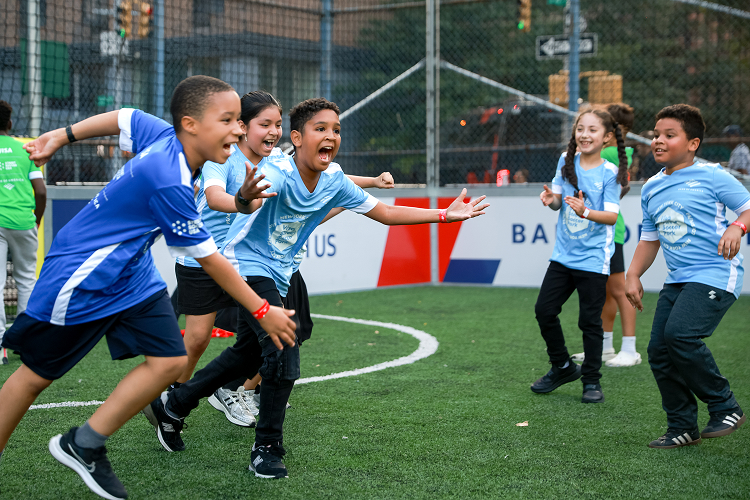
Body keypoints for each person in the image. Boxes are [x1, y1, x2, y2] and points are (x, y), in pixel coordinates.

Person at [143, 97, 489, 480]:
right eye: (320, 129)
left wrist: (444, 214)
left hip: (281, 273)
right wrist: (243, 197)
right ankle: (267, 447)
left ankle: (175, 403)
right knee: (283, 350)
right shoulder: (276, 172)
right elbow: (241, 198)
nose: (330, 136)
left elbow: (386, 214)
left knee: (246, 354)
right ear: (298, 137)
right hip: (244, 267)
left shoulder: (333, 180)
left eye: (336, 130)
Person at [0, 75, 297, 500]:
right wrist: (263, 311)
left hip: (132, 271)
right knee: (34, 377)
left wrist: (60, 136)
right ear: (191, 124)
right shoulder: (168, 178)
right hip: (84, 274)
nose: (238, 128)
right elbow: (209, 257)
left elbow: (125, 116)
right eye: (229, 119)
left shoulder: (165, 133)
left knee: (169, 361)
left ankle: (83, 443)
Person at [625, 104, 749, 449]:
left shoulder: (713, 175)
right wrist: (633, 274)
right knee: (659, 350)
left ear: (693, 143)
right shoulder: (650, 187)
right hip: (678, 280)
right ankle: (682, 426)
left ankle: (725, 405)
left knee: (680, 335)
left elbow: (748, 208)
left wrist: (737, 228)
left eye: (669, 135)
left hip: (714, 274)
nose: (658, 141)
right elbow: (650, 238)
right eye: (655, 135)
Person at [531, 108, 627, 404]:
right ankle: (561, 367)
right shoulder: (565, 161)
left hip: (594, 260)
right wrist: (551, 201)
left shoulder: (610, 173)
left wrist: (585, 211)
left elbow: (611, 217)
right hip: (563, 257)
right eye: (580, 129)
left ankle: (592, 381)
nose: (585, 135)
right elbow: (559, 202)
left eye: (593, 130)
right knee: (544, 310)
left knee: (589, 322)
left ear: (607, 137)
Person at [572, 103, 639, 367]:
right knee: (608, 293)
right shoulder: (613, 153)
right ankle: (606, 346)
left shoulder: (609, 154)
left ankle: (630, 349)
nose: (588, 134)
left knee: (619, 291)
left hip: (609, 233)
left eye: (597, 127)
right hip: (602, 232)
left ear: (611, 132)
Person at [0, 100, 46, 365]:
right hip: (23, 221)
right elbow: (40, 191)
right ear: (9, 124)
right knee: (27, 279)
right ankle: (25, 342)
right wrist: (35, 220)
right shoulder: (23, 151)